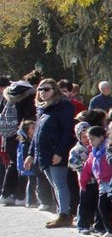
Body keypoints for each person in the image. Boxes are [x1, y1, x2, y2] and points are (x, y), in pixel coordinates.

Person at [27, 79, 78, 228]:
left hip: (56, 153)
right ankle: (61, 212)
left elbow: (67, 132)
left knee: (60, 184)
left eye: (47, 89)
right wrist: (30, 154)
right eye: (40, 90)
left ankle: (65, 214)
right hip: (44, 154)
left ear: (54, 90)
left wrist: (60, 153)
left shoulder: (63, 106)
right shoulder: (42, 109)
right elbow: (37, 134)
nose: (43, 92)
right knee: (55, 184)